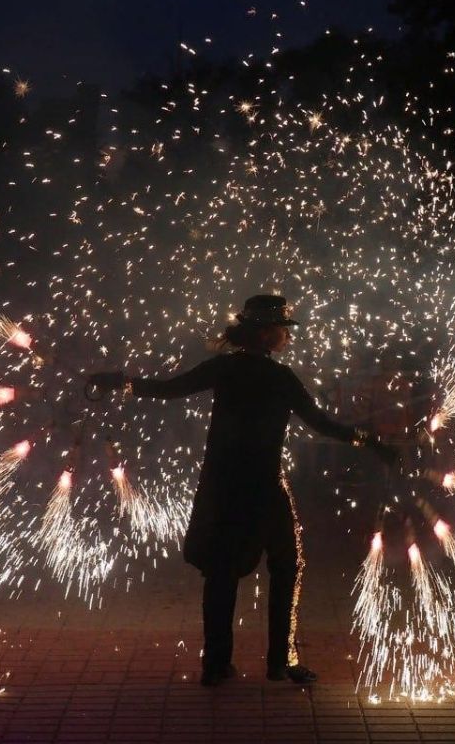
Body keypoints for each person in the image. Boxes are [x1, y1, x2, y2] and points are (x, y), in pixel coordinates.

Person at [87, 294, 396, 687]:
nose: (287, 336)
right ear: (267, 334)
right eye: (283, 329)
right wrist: (370, 441)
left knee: (221, 573)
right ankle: (280, 662)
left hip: (222, 487)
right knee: (286, 567)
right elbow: (322, 424)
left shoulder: (224, 368)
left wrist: (120, 382)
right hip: (264, 487)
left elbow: (168, 389)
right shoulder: (281, 379)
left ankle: (216, 666)